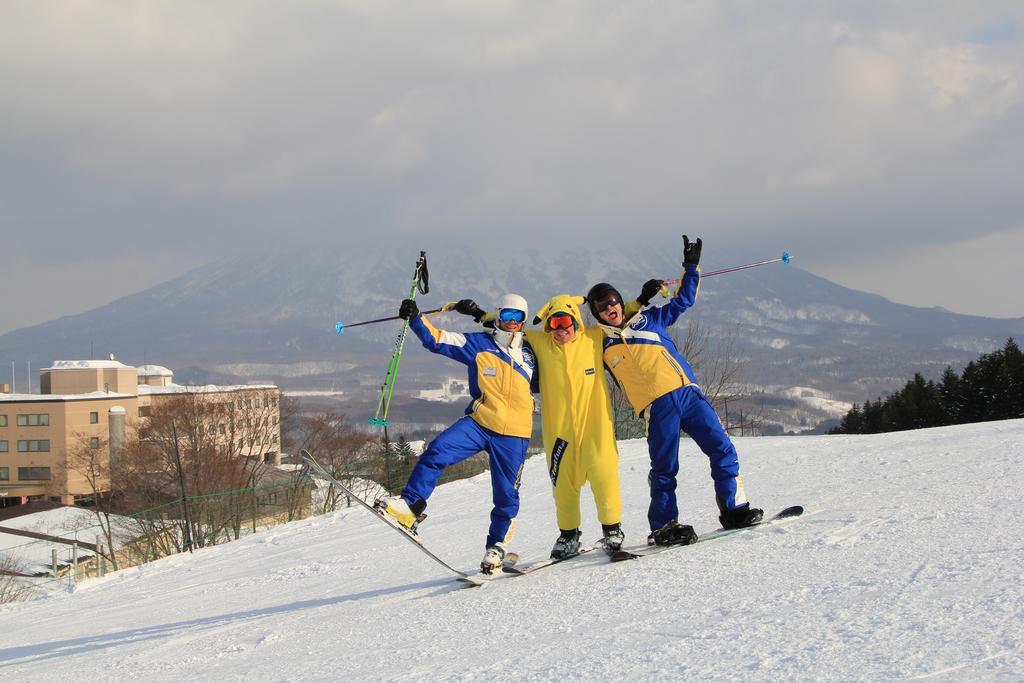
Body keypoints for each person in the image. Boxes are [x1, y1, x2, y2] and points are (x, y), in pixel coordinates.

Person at [588, 235, 763, 546]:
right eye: (601, 307)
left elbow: (683, 300)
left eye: (612, 301)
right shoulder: (599, 344)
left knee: (722, 448)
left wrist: (691, 265)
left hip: (687, 394)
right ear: (596, 314)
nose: (608, 308)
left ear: (618, 301)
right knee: (665, 468)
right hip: (657, 407)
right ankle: (664, 526)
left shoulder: (650, 319)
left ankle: (734, 509)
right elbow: (564, 341)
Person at [457, 295, 624, 559]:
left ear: (576, 321)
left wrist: (639, 300)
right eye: (554, 323)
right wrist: (478, 313)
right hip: (559, 431)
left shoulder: (594, 338)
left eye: (565, 321)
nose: (560, 329)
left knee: (605, 476)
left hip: (597, 428)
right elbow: (510, 327)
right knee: (563, 484)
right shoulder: (541, 343)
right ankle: (569, 534)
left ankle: (612, 529)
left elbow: (619, 319)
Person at [378, 294, 535, 572]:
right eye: (507, 316)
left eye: (518, 317)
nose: (511, 323)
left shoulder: (533, 351)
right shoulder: (478, 344)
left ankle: (496, 547)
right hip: (480, 423)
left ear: (524, 320)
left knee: (506, 495)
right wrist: (415, 318)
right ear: (499, 316)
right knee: (438, 450)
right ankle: (410, 507)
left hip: (515, 433)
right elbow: (436, 339)